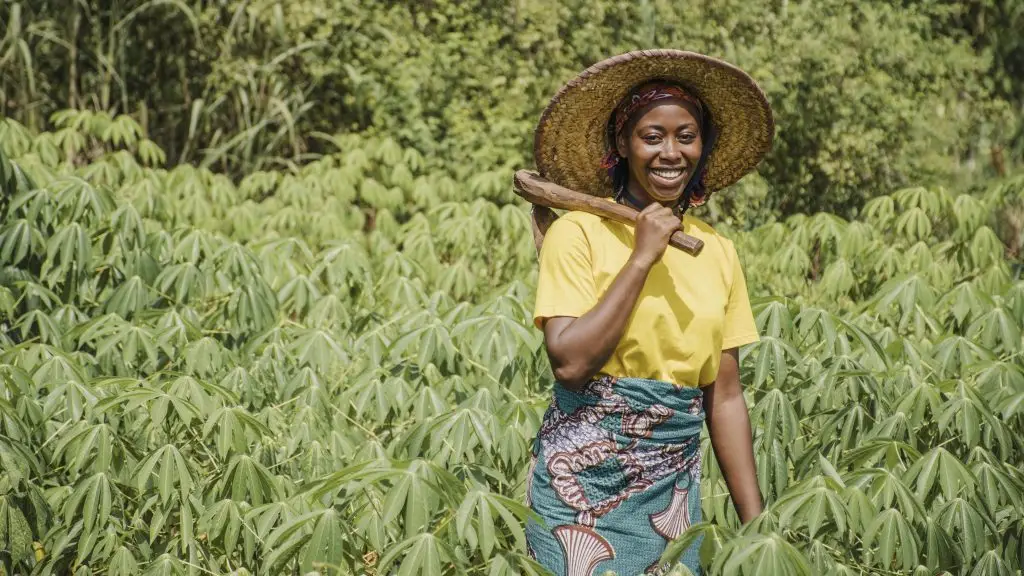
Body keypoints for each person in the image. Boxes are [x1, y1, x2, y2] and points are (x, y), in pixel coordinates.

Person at [524, 50, 775, 575]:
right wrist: (643, 256)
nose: (671, 152)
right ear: (622, 144)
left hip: (672, 495)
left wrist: (758, 527)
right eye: (652, 136)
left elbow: (724, 394)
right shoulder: (579, 233)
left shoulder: (716, 251)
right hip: (582, 490)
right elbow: (569, 363)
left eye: (686, 136)